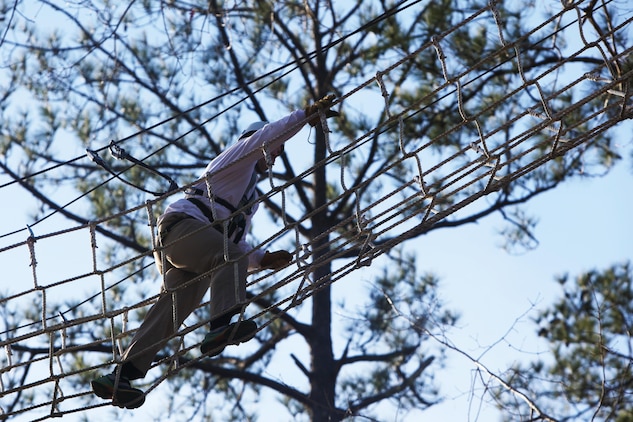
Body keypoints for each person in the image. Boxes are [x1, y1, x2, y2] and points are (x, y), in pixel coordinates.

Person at [90, 95, 338, 409]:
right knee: (228, 256)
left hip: (194, 247)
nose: (277, 154)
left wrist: (262, 260)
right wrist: (304, 116)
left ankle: (121, 375)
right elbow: (266, 138)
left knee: (172, 312)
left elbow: (238, 244)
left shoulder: (250, 197)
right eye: (276, 148)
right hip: (181, 229)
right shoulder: (236, 159)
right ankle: (222, 326)